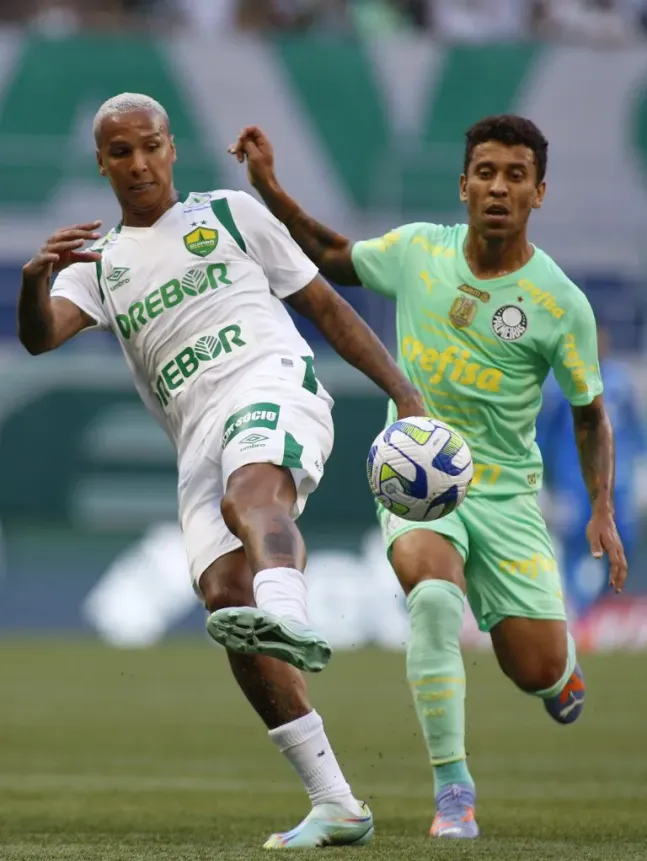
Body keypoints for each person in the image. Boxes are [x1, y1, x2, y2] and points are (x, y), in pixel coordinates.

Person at [17, 92, 427, 850]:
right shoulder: (97, 263)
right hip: (194, 430)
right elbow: (42, 339)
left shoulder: (232, 214)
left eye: (150, 146)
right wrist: (33, 279)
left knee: (254, 492)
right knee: (226, 604)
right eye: (120, 153)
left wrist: (405, 394)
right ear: (101, 163)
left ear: (172, 149)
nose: (138, 163)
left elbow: (328, 308)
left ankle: (292, 607)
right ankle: (336, 802)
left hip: (270, 379)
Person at [228, 114, 628, 839]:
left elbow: (588, 412)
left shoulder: (558, 301)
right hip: (418, 479)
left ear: (539, 192)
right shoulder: (417, 250)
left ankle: (559, 668)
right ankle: (453, 793)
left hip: (506, 496)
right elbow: (330, 255)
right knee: (434, 602)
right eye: (485, 172)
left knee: (532, 667)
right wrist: (271, 189)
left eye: (514, 175)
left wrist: (600, 508)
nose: (497, 187)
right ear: (463, 184)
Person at [537, 323, 646, 620]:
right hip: (574, 483)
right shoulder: (560, 385)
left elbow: (636, 430)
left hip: (617, 484)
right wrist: (543, 483)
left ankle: (601, 611)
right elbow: (542, 436)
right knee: (576, 544)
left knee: (623, 544)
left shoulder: (620, 382)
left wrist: (640, 469)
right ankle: (577, 612)